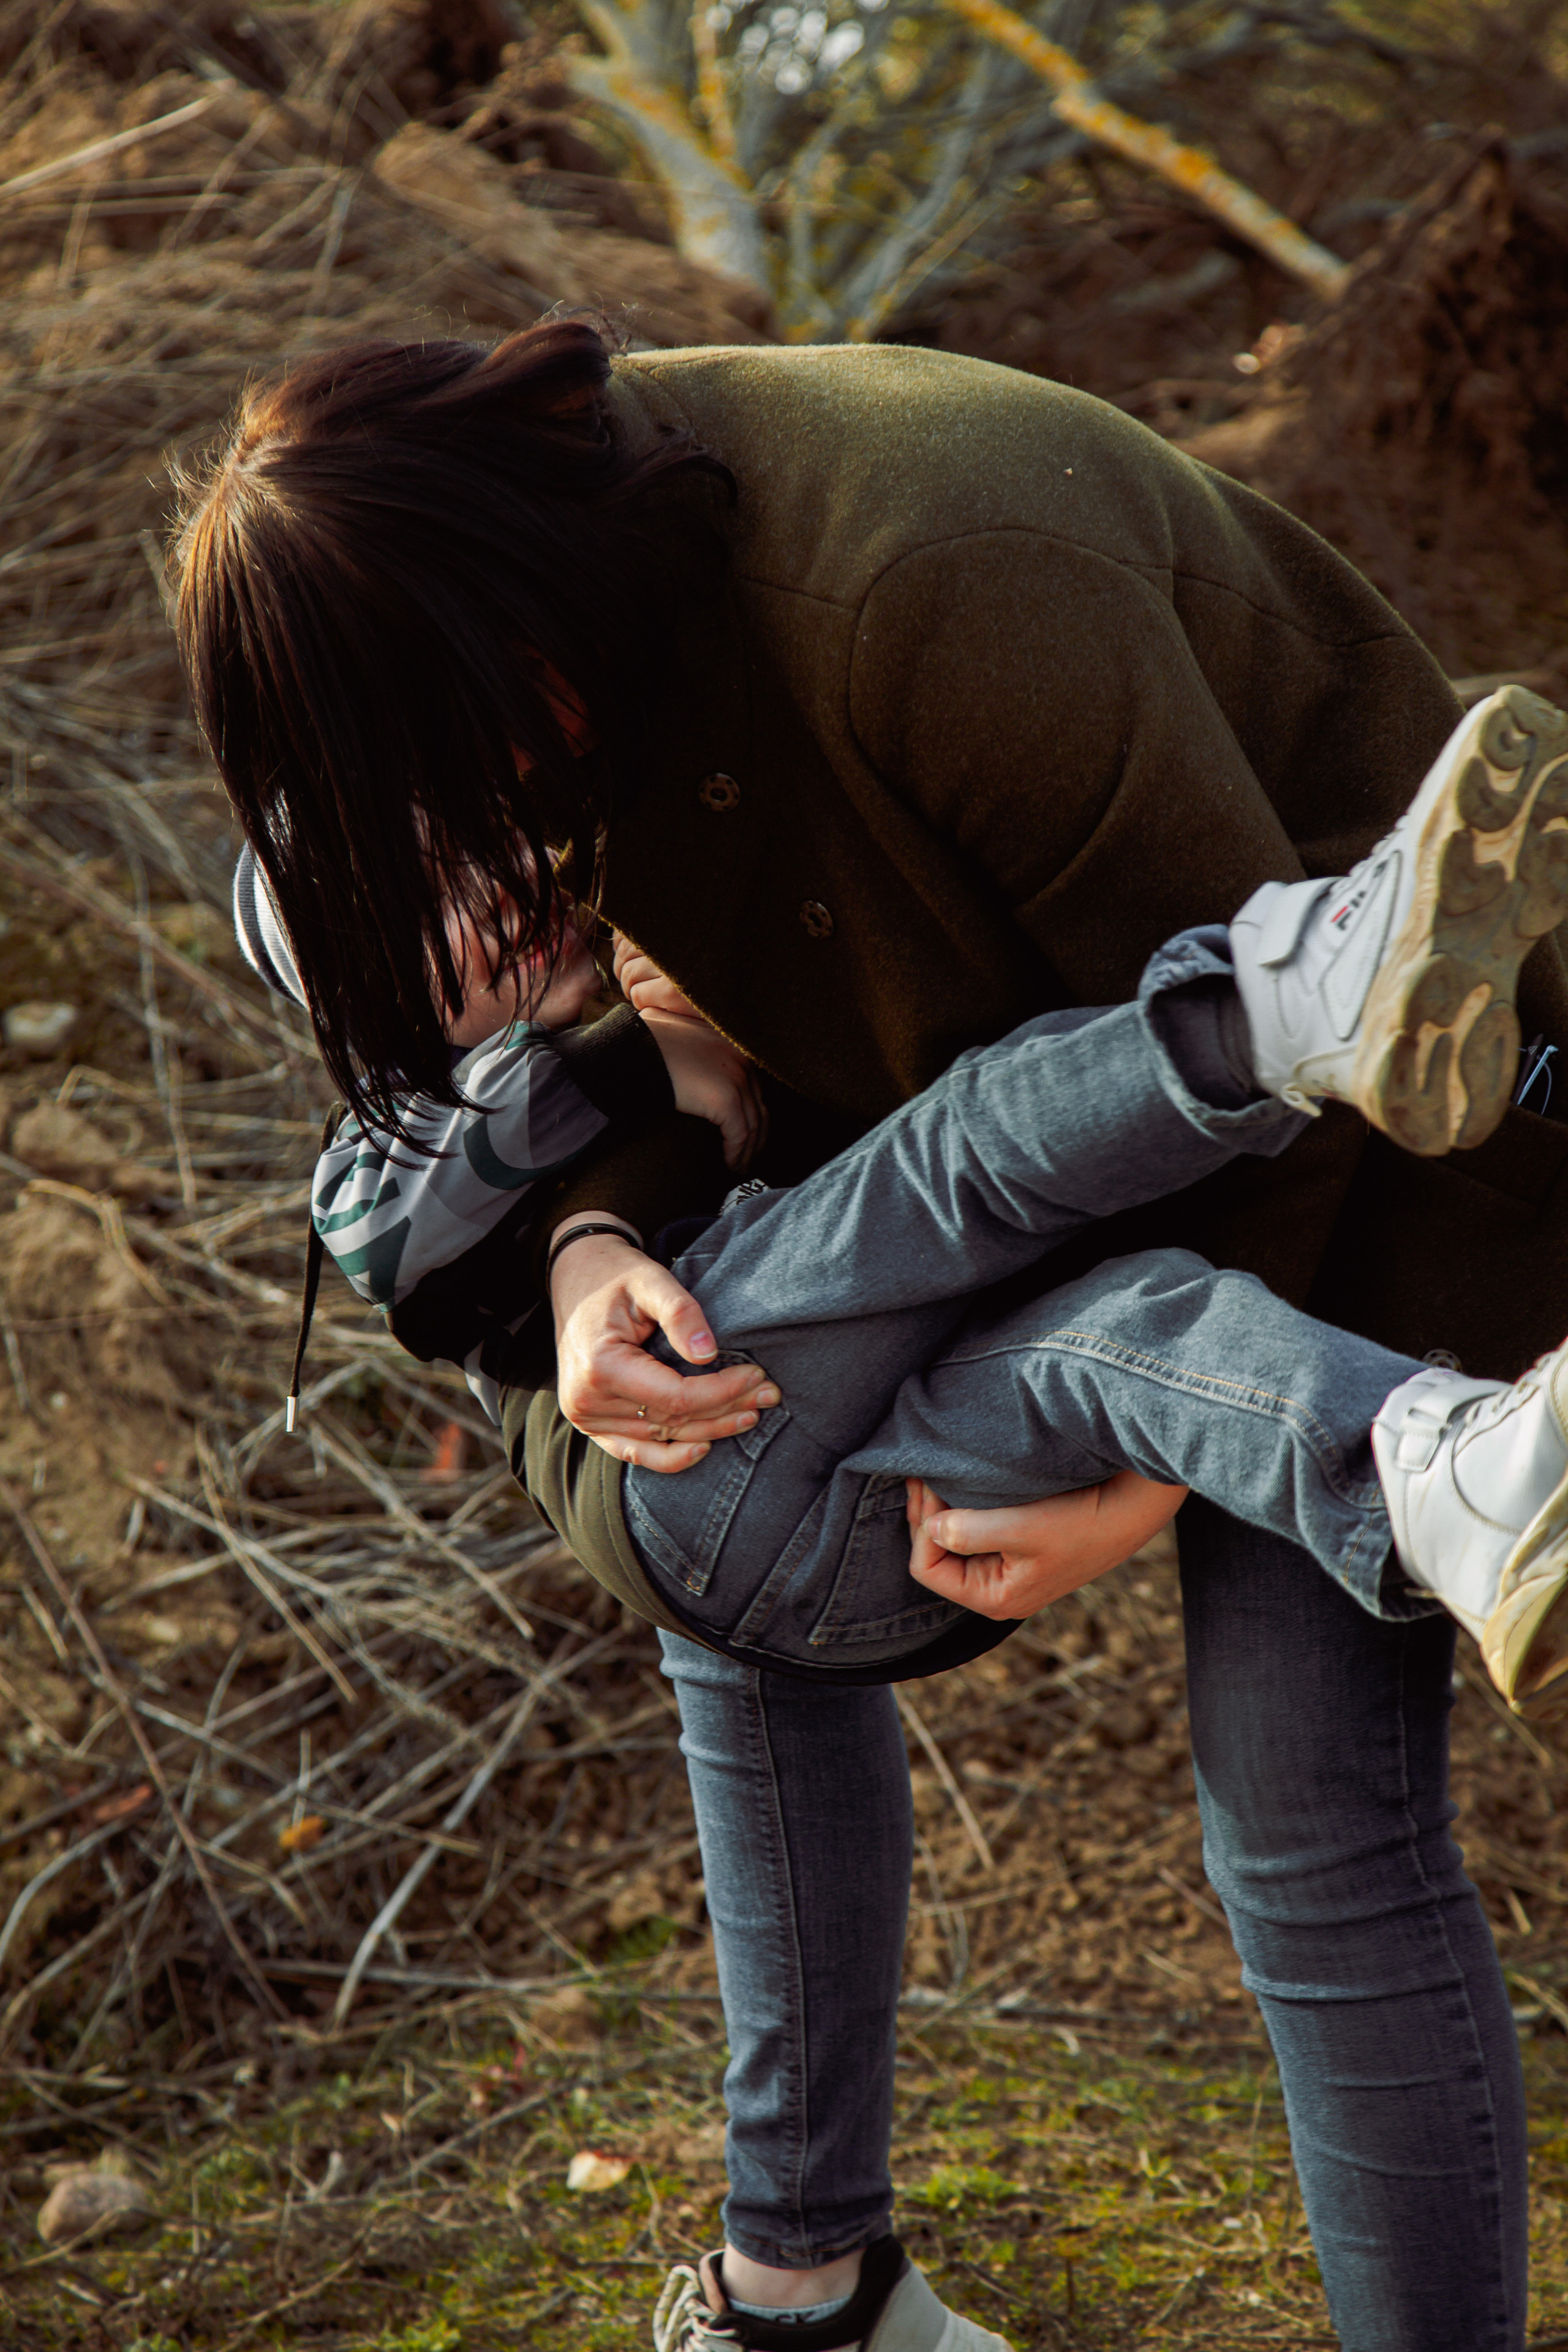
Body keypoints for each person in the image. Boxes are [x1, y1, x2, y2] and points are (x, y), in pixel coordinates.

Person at [178, 318, 1568, 2352]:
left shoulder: (929, 575)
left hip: (1392, 1157)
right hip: (1051, 1200)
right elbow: (692, 1024)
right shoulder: (558, 653)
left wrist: (1139, 1466)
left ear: (512, 609)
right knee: (771, 1460)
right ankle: (806, 2288)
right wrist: (580, 1245)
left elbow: (1296, 1123)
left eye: (471, 760)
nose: (493, 830)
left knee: (1306, 1818)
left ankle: (813, 2289)